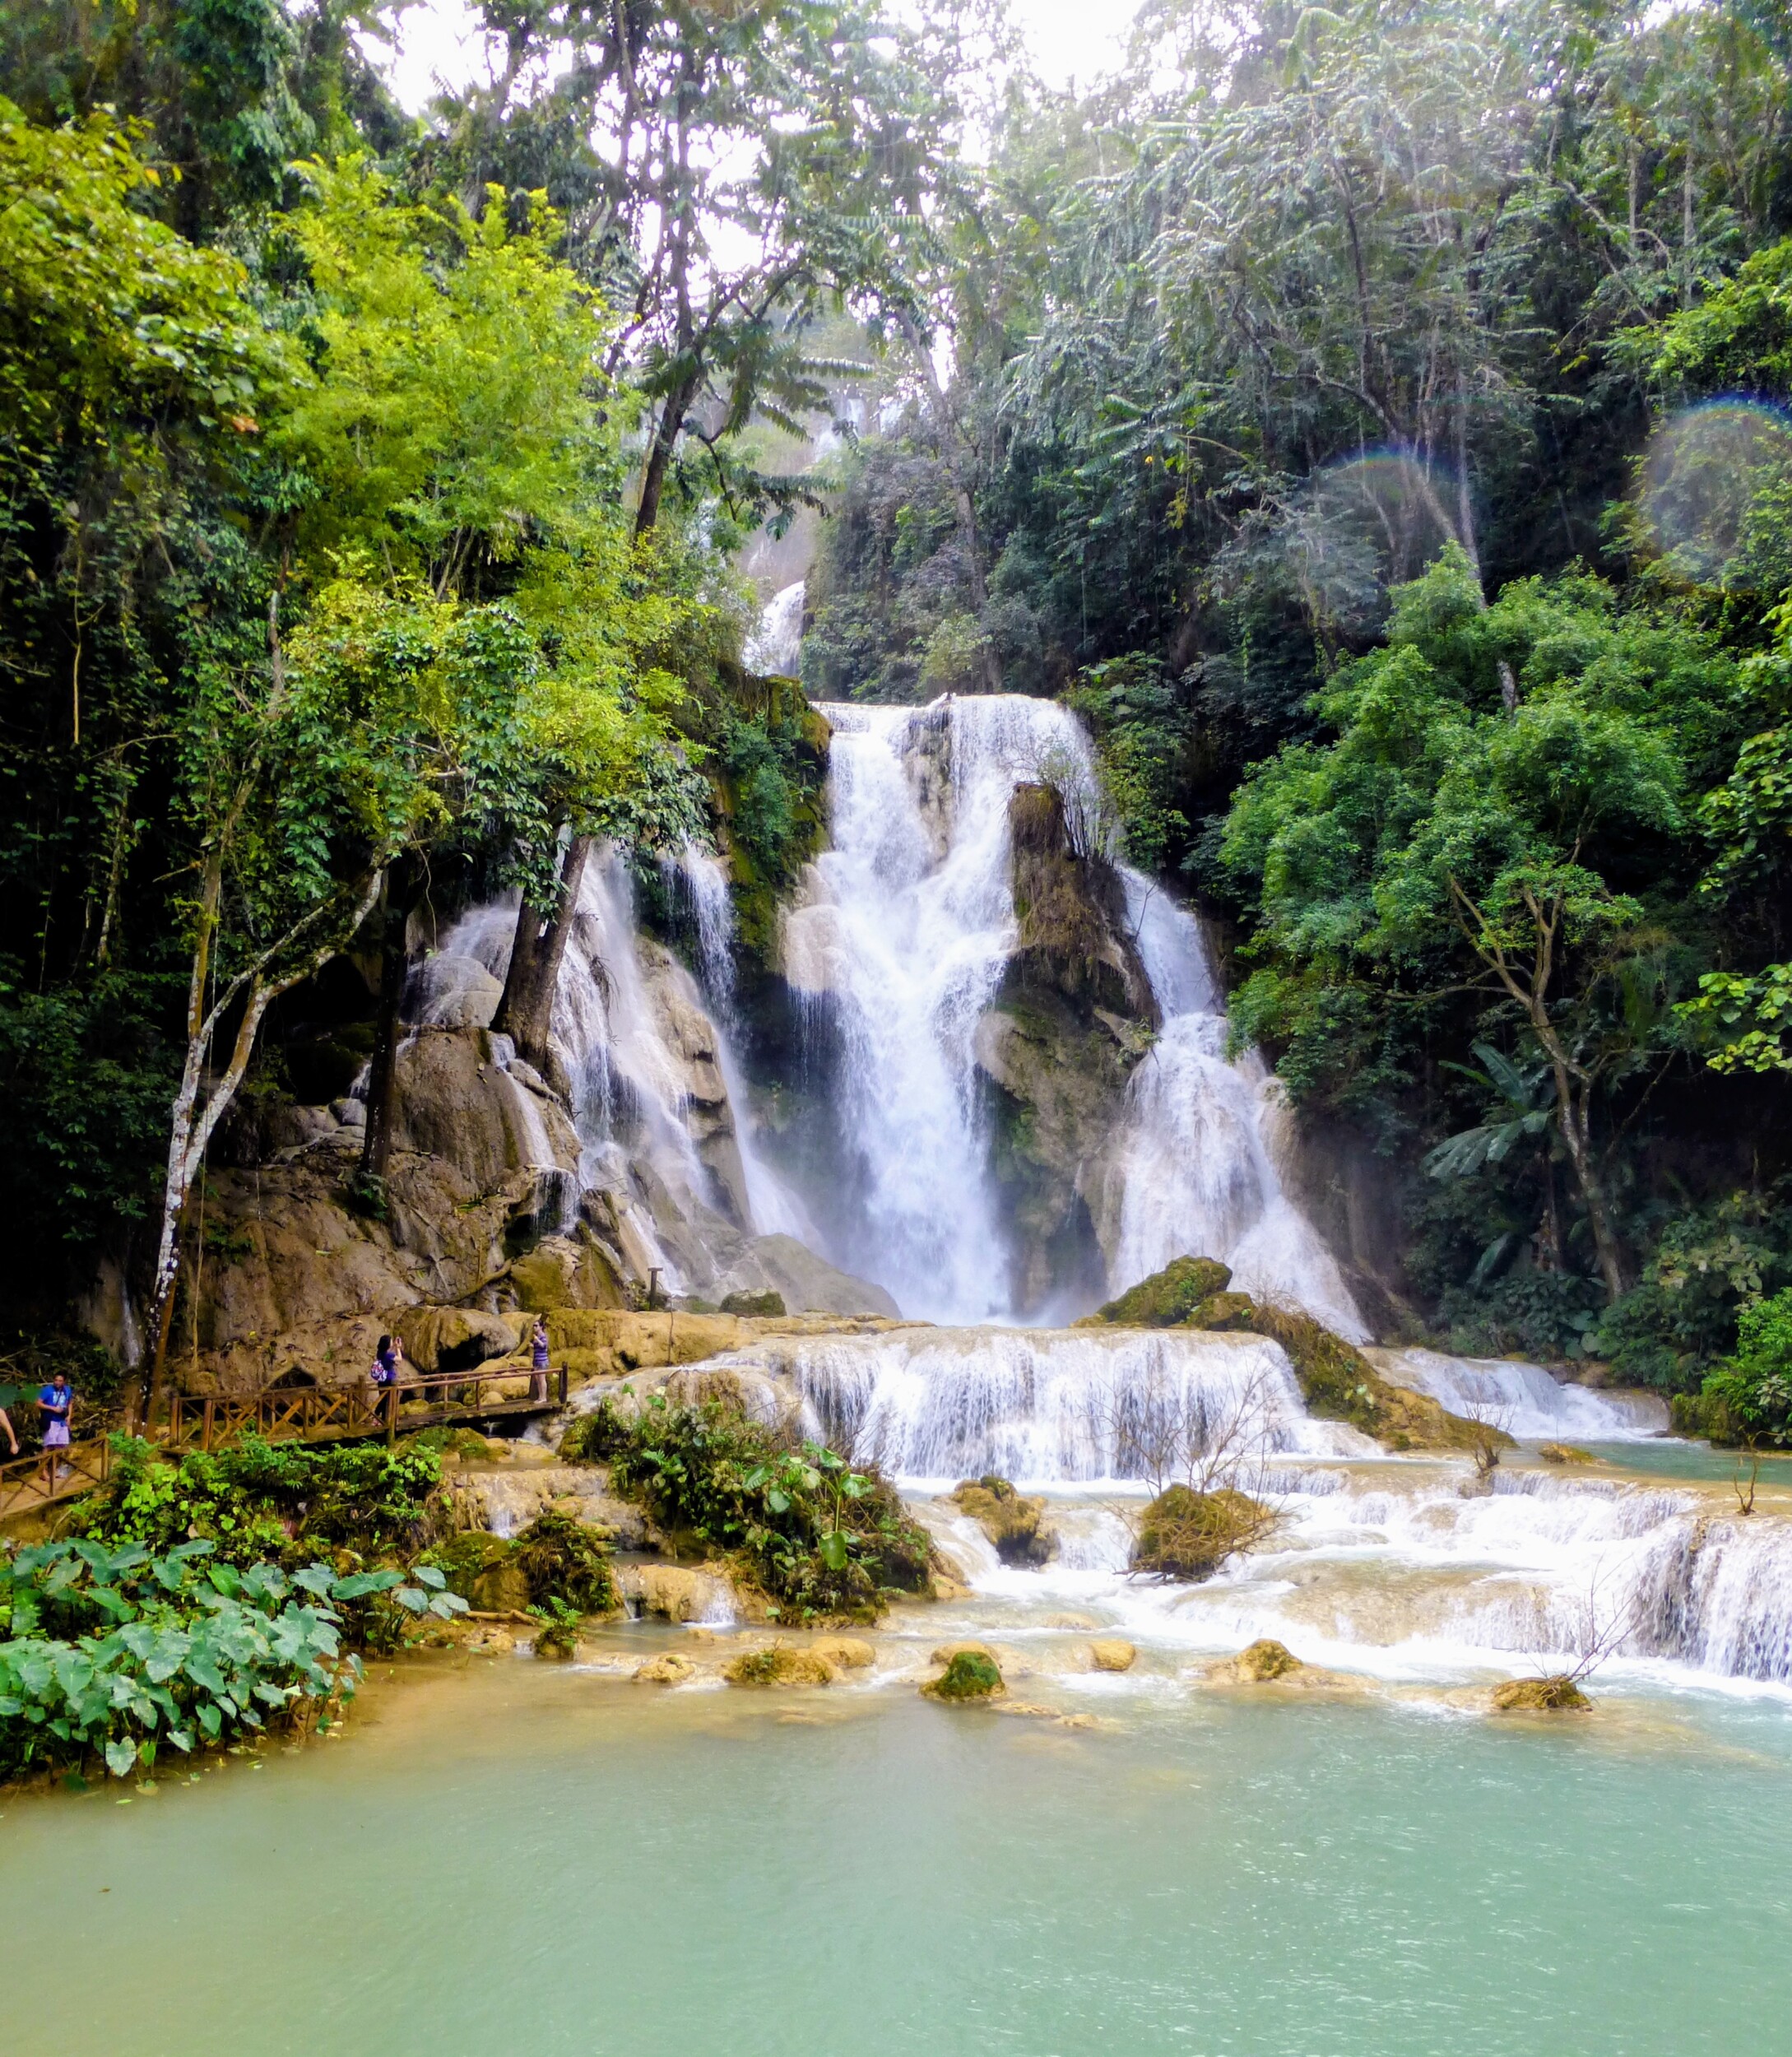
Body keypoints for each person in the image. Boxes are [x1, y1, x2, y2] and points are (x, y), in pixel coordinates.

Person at [38, 1371, 72, 1475]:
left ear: (64, 1382)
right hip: (51, 1420)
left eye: (60, 1381)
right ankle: (43, 1471)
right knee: (48, 1446)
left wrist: (69, 1416)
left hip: (62, 1421)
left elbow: (70, 1403)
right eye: (56, 1380)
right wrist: (52, 1408)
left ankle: (53, 1470)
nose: (57, 1382)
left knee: (60, 1446)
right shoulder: (47, 1390)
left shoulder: (67, 1390)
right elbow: (38, 1403)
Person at [529, 1316, 550, 1403]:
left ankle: (543, 1398)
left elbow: (544, 1346)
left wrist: (537, 1340)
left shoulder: (542, 1336)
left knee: (542, 1379)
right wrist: (532, 1346)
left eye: (536, 1326)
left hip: (542, 1361)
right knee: (538, 1380)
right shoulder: (537, 1336)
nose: (534, 1327)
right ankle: (540, 1397)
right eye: (534, 1326)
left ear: (541, 1327)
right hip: (537, 1360)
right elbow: (538, 1348)